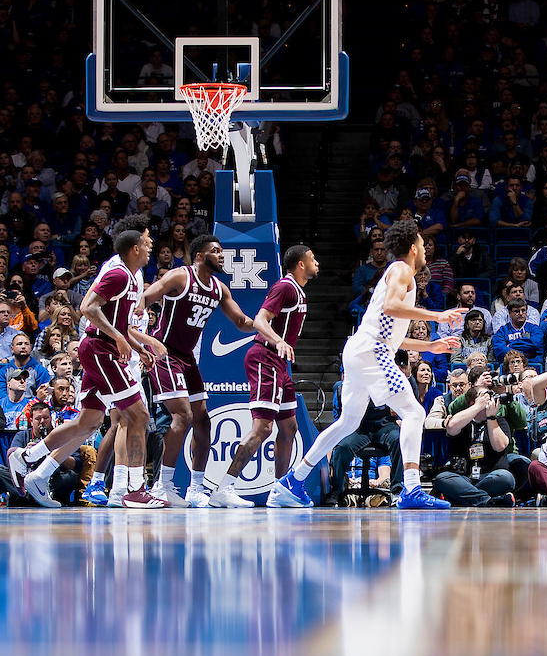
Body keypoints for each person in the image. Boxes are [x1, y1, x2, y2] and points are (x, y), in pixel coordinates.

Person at [277, 221, 463, 510]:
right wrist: (437, 316)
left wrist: (428, 346)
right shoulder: (402, 269)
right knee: (414, 411)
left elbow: (391, 334)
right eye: (423, 244)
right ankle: (412, 488)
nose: (426, 249)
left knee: (347, 423)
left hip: (362, 348)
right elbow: (391, 306)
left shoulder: (399, 273)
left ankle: (293, 480)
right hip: (372, 351)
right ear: (413, 247)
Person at [10, 216, 168, 508]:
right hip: (101, 350)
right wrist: (121, 340)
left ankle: (28, 458)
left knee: (90, 422)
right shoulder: (118, 273)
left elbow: (121, 323)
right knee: (139, 416)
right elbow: (86, 307)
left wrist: (136, 345)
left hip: (104, 347)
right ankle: (134, 488)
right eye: (146, 243)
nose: (150, 248)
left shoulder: (132, 275)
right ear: (133, 246)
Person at [140, 234, 267, 508]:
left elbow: (240, 320)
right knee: (182, 416)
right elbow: (142, 300)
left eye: (222, 251)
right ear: (199, 255)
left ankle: (196, 489)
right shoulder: (179, 277)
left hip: (186, 358)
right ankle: (162, 486)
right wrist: (137, 338)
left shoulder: (219, 288)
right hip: (164, 352)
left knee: (203, 420)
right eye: (216, 251)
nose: (222, 255)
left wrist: (264, 324)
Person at [209, 245, 320, 507]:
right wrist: (278, 341)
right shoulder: (285, 286)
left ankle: (281, 490)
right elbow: (260, 320)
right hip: (265, 357)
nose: (317, 263)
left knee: (289, 427)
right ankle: (223, 489)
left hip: (280, 364)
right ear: (300, 264)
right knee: (262, 428)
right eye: (312, 258)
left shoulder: (299, 290)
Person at [439, 385, 516, 506]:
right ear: (472, 403)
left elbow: (500, 446)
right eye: (485, 397)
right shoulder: (463, 419)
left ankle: (463, 496)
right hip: (464, 477)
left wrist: (491, 418)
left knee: (506, 478)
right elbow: (451, 427)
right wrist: (478, 407)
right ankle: (488, 501)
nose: (490, 400)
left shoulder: (499, 420)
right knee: (442, 479)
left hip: (491, 476)